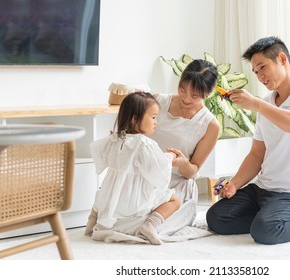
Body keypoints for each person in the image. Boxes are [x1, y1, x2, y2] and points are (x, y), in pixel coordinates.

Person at [206, 36, 290, 245]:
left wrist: (257, 105)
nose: (259, 76)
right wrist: (234, 184)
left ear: (282, 59)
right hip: (262, 188)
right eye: (256, 72)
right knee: (216, 218)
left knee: (265, 231)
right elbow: (257, 154)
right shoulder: (265, 104)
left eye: (262, 67)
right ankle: (268, 218)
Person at [85, 91, 180, 245]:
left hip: (111, 200)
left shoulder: (114, 139)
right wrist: (171, 157)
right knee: (175, 199)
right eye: (153, 117)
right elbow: (158, 168)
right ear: (135, 119)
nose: (156, 121)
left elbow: (98, 152)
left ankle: (92, 221)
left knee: (102, 193)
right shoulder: (144, 144)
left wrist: (114, 140)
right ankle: (150, 225)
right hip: (133, 204)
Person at [147, 59, 220, 230]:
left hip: (176, 184)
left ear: (207, 94)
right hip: (145, 175)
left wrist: (183, 163)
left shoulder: (210, 125)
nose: (186, 98)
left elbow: (193, 171)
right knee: (122, 219)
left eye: (194, 96)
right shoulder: (157, 101)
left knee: (157, 226)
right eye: (182, 89)